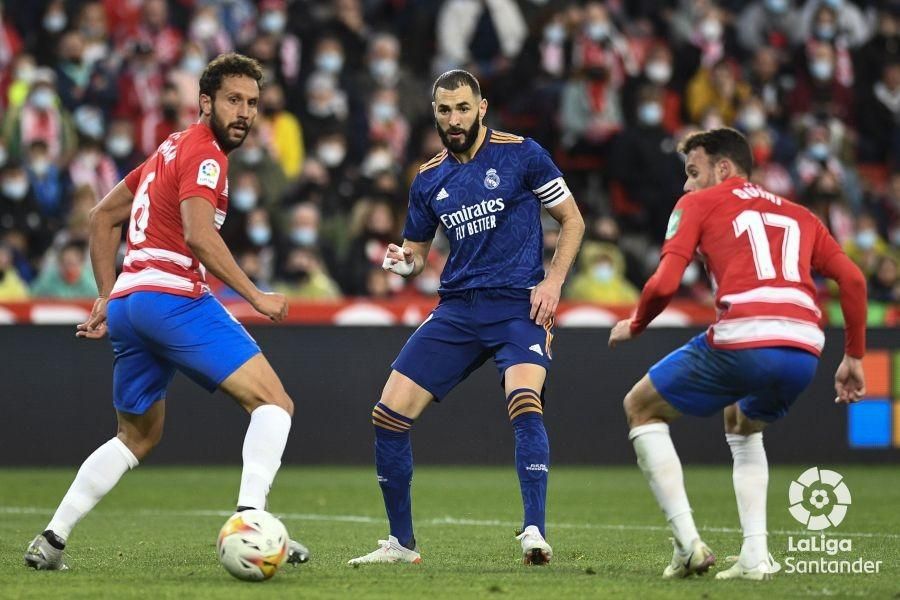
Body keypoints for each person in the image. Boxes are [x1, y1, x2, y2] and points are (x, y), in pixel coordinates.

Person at [24, 53, 309, 570]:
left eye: (252, 102)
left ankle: (52, 538)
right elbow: (200, 237)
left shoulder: (169, 147)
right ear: (206, 102)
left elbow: (101, 216)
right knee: (274, 403)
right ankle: (252, 526)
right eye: (233, 100)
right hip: (172, 296)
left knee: (137, 435)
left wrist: (109, 295)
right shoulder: (207, 154)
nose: (244, 112)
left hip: (133, 305)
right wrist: (256, 295)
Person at [608, 128, 867, 581]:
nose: (686, 185)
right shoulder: (800, 214)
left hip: (746, 334)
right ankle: (755, 555)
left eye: (693, 172)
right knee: (742, 423)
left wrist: (637, 323)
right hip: (805, 347)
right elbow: (855, 281)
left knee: (641, 407)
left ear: (723, 168)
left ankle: (688, 544)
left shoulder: (698, 204)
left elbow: (664, 283)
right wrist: (855, 358)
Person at [348, 70, 585, 566]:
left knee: (525, 400)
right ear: (433, 113)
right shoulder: (429, 178)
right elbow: (415, 254)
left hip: (519, 303)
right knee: (387, 416)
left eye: (461, 108)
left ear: (481, 107)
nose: (452, 119)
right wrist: (402, 261)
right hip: (457, 309)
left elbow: (572, 219)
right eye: (443, 110)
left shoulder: (522, 153)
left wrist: (554, 282)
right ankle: (401, 544)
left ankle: (535, 531)